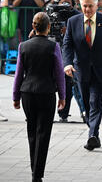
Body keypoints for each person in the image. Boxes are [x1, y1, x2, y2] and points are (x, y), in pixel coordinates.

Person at [12, 12, 65, 182]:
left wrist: (15, 96)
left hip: (27, 92)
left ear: (33, 27)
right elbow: (59, 74)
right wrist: (62, 96)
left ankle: (33, 168)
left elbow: (18, 74)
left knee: (32, 132)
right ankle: (37, 174)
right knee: (44, 133)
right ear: (48, 27)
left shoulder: (23, 46)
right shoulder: (53, 46)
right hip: (47, 92)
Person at [62, 0, 102, 151]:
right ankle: (94, 133)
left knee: (95, 101)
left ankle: (92, 134)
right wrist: (67, 64)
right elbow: (68, 45)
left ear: (97, 5)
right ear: (80, 5)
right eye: (84, 6)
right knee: (87, 104)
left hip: (101, 70)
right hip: (81, 70)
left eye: (90, 6)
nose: (87, 9)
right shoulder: (73, 22)